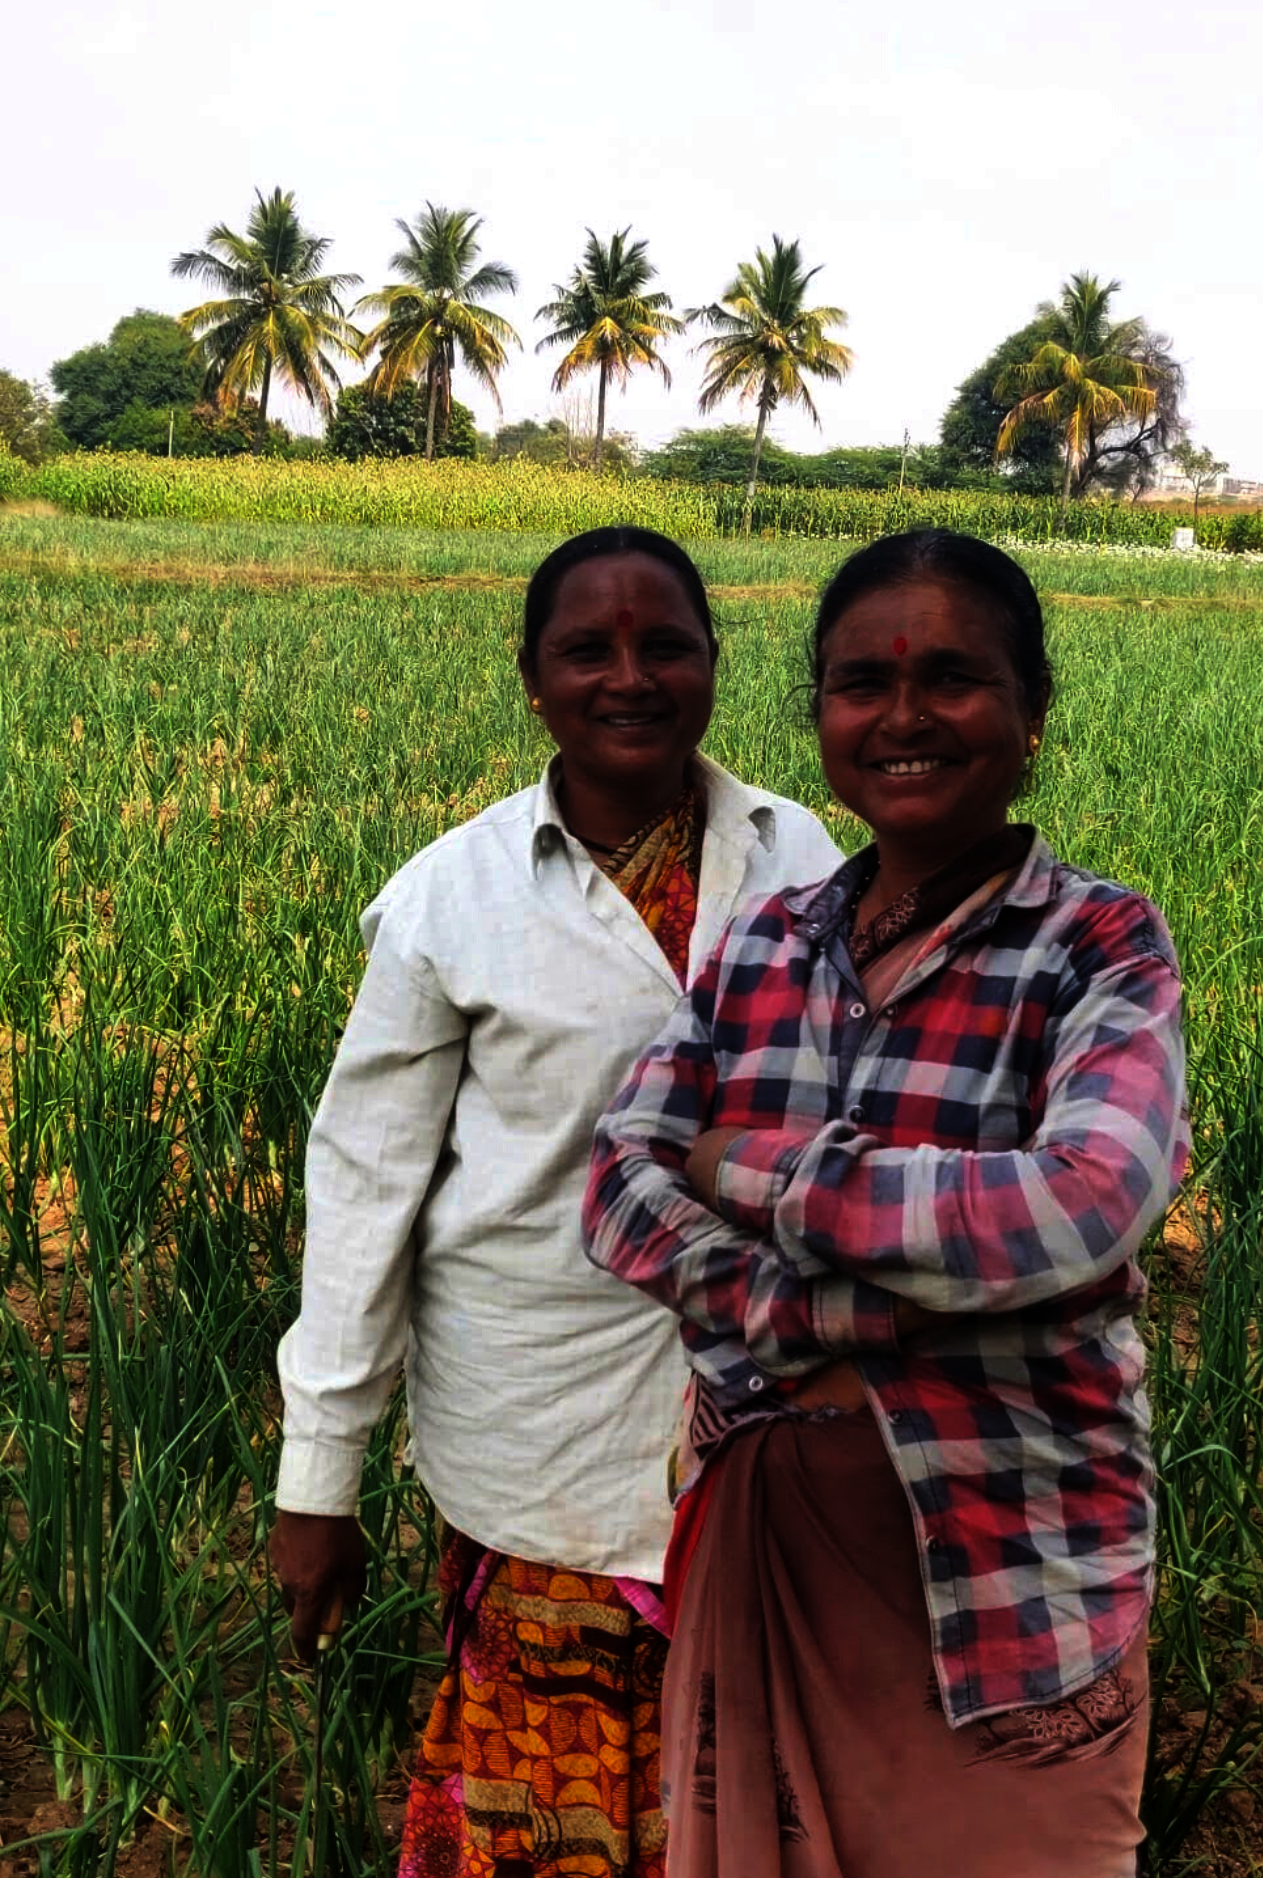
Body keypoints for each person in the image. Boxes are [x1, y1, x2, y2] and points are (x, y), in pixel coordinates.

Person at [583, 528, 1190, 1878]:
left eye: (954, 679)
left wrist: (750, 1174)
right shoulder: (764, 941)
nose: (903, 716)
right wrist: (835, 1307)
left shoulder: (1095, 944)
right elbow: (618, 1186)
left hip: (1009, 1572)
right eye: (860, 682)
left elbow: (1078, 1210)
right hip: (766, 1526)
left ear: (1029, 714)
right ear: (818, 717)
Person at [270, 525, 840, 1878]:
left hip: (768, 1419)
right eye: (588, 649)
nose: (629, 677)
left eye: (667, 646)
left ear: (713, 663)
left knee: (751, 1793)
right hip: (535, 1425)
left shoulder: (800, 857)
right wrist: (317, 1479)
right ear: (532, 678)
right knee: (543, 1811)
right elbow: (364, 1187)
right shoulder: (448, 900)